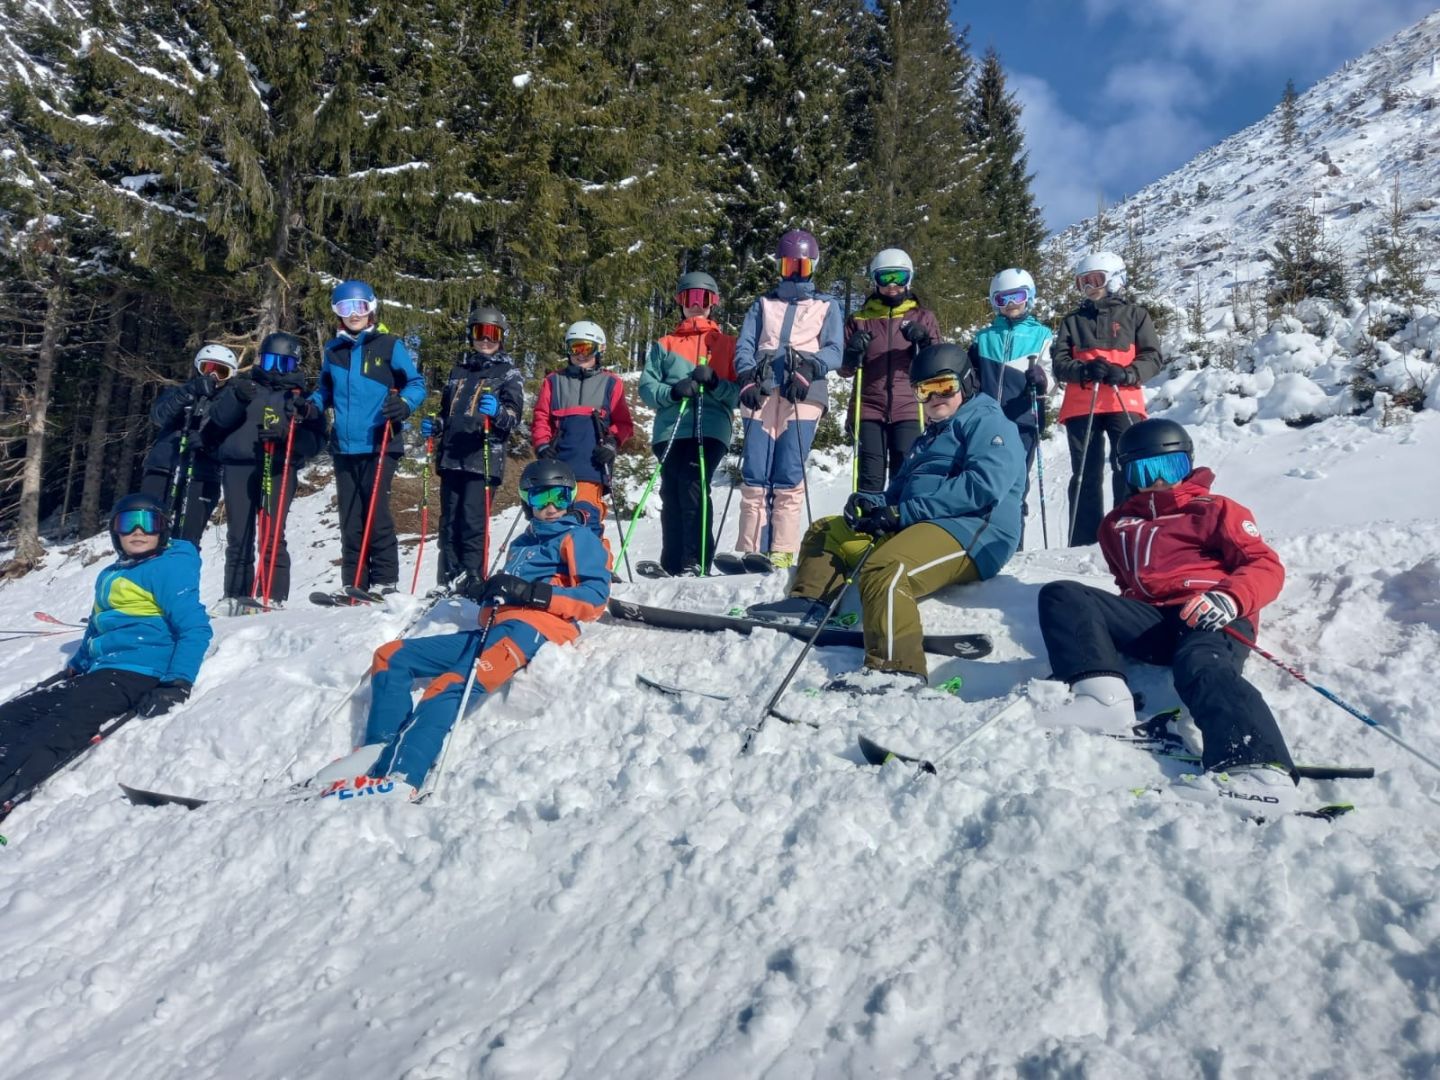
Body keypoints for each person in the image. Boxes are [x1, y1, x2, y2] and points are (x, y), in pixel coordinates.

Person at [1035, 418, 1301, 811]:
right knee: (1063, 594)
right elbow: (1125, 582)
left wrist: (1228, 598)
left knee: (1201, 662)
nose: (1159, 481)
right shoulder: (1116, 525)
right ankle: (1102, 699)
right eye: (1145, 471)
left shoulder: (1216, 510)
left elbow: (1264, 565)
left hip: (1210, 614)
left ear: (1188, 465)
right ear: (1127, 474)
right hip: (1154, 621)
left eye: (1170, 468)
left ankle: (1259, 769)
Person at [319, 460, 611, 801]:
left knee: (448, 686)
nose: (550, 507)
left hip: (532, 630)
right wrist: (483, 591)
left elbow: (595, 598)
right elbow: (502, 601)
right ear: (525, 500)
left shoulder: (577, 537)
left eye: (560, 497)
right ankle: (377, 753)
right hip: (495, 630)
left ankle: (403, 775)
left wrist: (533, 593)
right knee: (391, 656)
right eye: (540, 497)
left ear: (571, 498)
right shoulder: (521, 543)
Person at [747, 344, 1025, 693]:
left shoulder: (988, 422)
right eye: (925, 390)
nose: (935, 397)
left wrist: (904, 513)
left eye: (945, 386)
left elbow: (983, 486)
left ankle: (896, 668)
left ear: (966, 383)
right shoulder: (930, 437)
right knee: (826, 530)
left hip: (974, 531)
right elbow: (900, 492)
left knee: (888, 568)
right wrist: (874, 504)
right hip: (922, 524)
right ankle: (810, 602)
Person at [0, 494, 212, 822]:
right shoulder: (111, 573)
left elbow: (195, 629)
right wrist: (79, 663)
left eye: (148, 523)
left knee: (54, 728)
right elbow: (97, 626)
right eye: (128, 523)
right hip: (99, 673)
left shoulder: (169, 568)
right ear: (115, 532)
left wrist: (177, 682)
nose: (138, 531)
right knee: (12, 715)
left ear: (163, 529)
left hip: (136, 673)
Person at [732, 228, 844, 568]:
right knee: (755, 468)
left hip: (804, 391)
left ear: (813, 266)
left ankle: (781, 548)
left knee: (788, 469)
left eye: (801, 267)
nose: (794, 274)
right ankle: (751, 548)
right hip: (763, 388)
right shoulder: (763, 304)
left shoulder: (825, 305)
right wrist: (747, 377)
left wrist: (810, 368)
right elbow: (745, 345)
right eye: (788, 266)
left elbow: (835, 350)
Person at [308, 280, 427, 595]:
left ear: (371, 308)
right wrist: (310, 406)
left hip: (380, 441)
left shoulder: (388, 345)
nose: (353, 314)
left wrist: (404, 404)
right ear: (337, 312)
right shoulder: (333, 350)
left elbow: (416, 383)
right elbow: (324, 391)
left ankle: (385, 581)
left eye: (359, 307)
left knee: (375, 512)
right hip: (345, 446)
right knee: (350, 516)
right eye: (345, 308)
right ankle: (354, 582)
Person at [204, 332, 326, 614]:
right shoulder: (243, 386)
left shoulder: (300, 398)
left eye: (284, 364)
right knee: (239, 533)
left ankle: (272, 594)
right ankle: (235, 594)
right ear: (259, 359)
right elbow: (216, 422)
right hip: (240, 465)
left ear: (295, 365)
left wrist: (288, 436)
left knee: (272, 532)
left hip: (279, 467)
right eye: (270, 361)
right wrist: (236, 397)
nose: (275, 370)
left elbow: (318, 440)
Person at [1050, 251, 1163, 546]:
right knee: (1085, 472)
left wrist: (1126, 373)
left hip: (1122, 400)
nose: (1090, 287)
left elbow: (1152, 357)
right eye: (1083, 282)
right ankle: (1083, 541)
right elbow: (1059, 363)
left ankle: (1126, 534)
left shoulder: (1135, 315)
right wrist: (1084, 370)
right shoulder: (1073, 321)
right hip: (1082, 404)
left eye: (1096, 280)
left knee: (1126, 466)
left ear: (1115, 279)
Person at [637, 271, 739, 575]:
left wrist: (715, 383)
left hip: (710, 426)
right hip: (670, 429)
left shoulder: (726, 344)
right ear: (680, 302)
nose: (696, 304)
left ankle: (696, 560)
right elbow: (647, 387)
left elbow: (739, 394)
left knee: (692, 484)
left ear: (713, 303)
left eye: (702, 298)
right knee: (671, 491)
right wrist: (672, 392)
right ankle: (672, 564)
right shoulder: (665, 344)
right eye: (689, 297)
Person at [423, 304, 525, 588]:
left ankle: (472, 579)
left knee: (472, 521)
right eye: (481, 332)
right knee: (449, 522)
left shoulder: (509, 373)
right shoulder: (459, 371)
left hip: (483, 458)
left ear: (501, 337)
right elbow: (447, 413)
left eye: (493, 334)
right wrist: (436, 425)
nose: (486, 340)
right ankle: (447, 580)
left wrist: (498, 412)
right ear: (471, 335)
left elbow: (514, 418)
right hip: (452, 456)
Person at [840, 248, 939, 493]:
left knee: (903, 474)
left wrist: (925, 342)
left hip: (910, 407)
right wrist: (851, 352)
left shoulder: (923, 317)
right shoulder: (860, 320)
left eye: (899, 277)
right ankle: (868, 515)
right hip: (869, 408)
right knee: (869, 476)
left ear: (909, 279)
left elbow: (938, 366)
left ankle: (900, 517)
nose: (892, 285)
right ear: (875, 280)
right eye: (885, 278)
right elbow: (844, 369)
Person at [968, 268, 1053, 542]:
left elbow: (1053, 377)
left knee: (1015, 484)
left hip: (1023, 420)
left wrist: (1042, 380)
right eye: (1002, 299)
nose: (1011, 304)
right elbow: (971, 377)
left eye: (1017, 296)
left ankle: (1013, 544)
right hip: (988, 421)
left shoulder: (1042, 335)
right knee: (985, 479)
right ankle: (981, 540)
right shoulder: (984, 338)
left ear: (1029, 297)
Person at [530, 319, 634, 532]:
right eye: (575, 347)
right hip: (556, 466)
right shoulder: (554, 381)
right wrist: (542, 445)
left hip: (591, 465)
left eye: (587, 348)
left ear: (599, 350)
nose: (581, 354)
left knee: (586, 519)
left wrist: (611, 444)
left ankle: (594, 554)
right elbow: (541, 417)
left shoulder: (611, 382)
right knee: (553, 522)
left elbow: (623, 423)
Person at [138, 344, 239, 545]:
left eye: (221, 372)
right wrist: (189, 392)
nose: (213, 376)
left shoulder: (231, 403)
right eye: (208, 368)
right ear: (198, 368)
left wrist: (207, 443)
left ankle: (183, 562)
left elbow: (232, 443)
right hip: (164, 468)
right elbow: (159, 416)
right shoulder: (180, 391)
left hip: (202, 474)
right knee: (149, 531)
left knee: (188, 538)